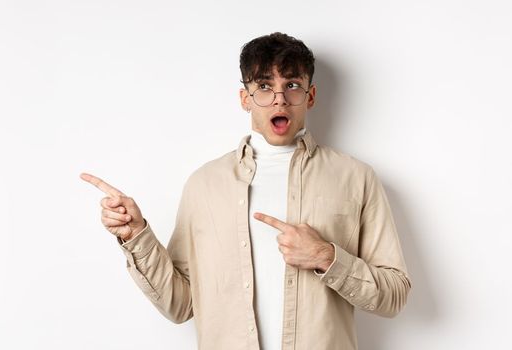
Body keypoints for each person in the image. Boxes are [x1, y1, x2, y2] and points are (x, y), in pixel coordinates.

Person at [80, 32, 411, 350]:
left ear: (310, 96)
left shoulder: (355, 177)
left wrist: (327, 257)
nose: (279, 98)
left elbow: (394, 295)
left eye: (292, 85)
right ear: (245, 99)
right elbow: (180, 305)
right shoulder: (205, 184)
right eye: (264, 86)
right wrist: (137, 235)